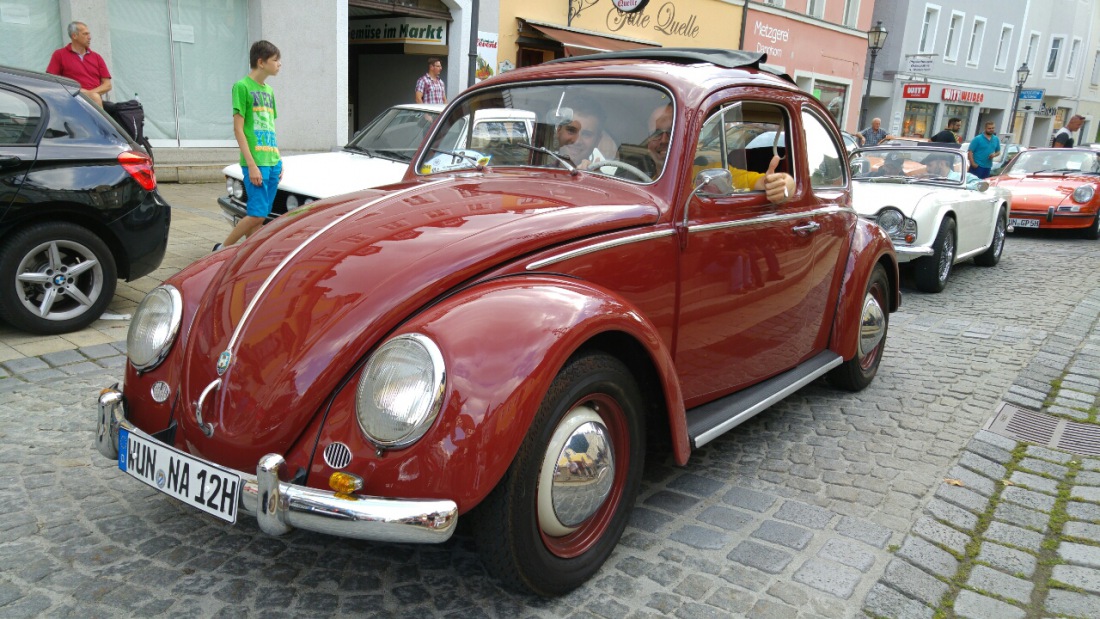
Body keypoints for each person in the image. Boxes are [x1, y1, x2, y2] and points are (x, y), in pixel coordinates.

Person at [646, 104, 794, 203]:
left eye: (672, 133)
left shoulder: (706, 173)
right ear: (648, 142)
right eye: (657, 133)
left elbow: (762, 182)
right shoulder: (639, 179)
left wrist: (783, 184)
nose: (664, 139)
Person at [215, 40, 282, 251]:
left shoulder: (269, 91)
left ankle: (247, 254)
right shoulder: (242, 87)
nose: (279, 64)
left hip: (272, 162)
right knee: (256, 214)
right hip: (256, 162)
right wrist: (251, 165)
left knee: (260, 216)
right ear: (261, 62)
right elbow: (239, 129)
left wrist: (278, 160)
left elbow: (270, 127)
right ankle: (222, 249)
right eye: (275, 60)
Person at [46, 21, 111, 107]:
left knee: (95, 98)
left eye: (89, 34)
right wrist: (77, 92)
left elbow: (107, 85)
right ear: (74, 36)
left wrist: (88, 94)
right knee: (95, 98)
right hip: (71, 100)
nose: (89, 37)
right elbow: (51, 81)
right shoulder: (59, 55)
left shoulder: (97, 57)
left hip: (95, 100)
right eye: (85, 34)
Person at [554, 97, 606, 168]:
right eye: (571, 131)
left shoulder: (601, 179)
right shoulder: (537, 176)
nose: (577, 141)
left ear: (597, 140)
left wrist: (593, 177)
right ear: (559, 131)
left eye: (586, 134)